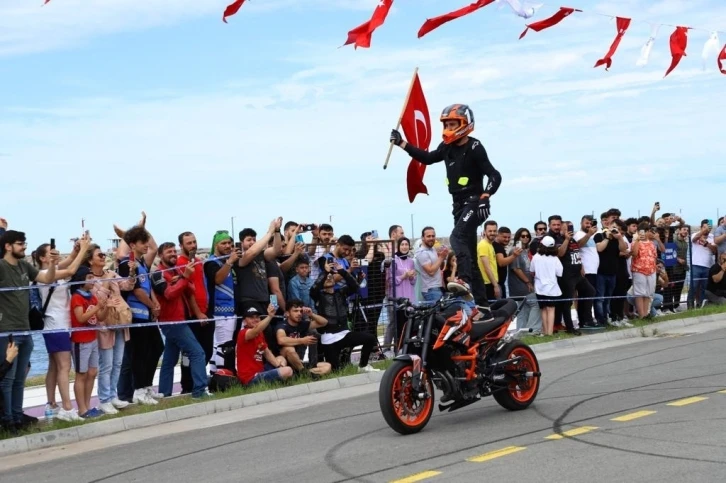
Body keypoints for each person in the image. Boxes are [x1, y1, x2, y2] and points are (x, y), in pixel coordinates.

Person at [390, 104, 502, 316]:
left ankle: (464, 280)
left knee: (456, 238)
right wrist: (402, 143)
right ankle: (483, 307)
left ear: (465, 124)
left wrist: (486, 197)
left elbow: (495, 175)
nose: (449, 128)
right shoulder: (447, 147)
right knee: (468, 251)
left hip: (474, 202)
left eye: (453, 124)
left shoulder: (476, 147)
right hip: (457, 205)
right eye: (447, 124)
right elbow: (428, 158)